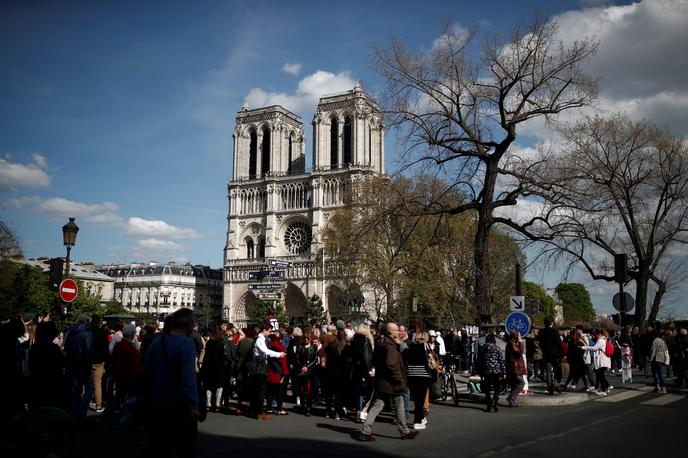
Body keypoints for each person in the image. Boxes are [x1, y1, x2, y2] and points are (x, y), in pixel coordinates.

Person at [141, 308, 200, 457]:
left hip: (157, 403)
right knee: (184, 448)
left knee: (160, 448)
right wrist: (193, 405)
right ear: (188, 324)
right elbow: (188, 378)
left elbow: (145, 371)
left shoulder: (157, 342)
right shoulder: (186, 344)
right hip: (179, 405)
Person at [358, 322, 418, 441]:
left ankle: (365, 431)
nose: (399, 332)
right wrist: (399, 378)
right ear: (390, 332)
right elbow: (391, 364)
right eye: (396, 330)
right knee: (399, 405)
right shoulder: (389, 346)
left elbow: (374, 360)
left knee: (377, 405)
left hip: (383, 381)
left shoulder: (381, 343)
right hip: (392, 382)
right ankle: (404, 432)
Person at [248, 324, 286, 420]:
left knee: (259, 391)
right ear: (264, 330)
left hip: (260, 366)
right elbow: (265, 351)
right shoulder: (260, 340)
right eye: (269, 331)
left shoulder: (261, 339)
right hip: (259, 367)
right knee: (260, 391)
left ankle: (256, 411)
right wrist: (279, 354)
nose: (269, 333)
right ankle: (258, 413)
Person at [64, 314, 95, 418]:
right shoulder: (87, 333)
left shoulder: (70, 332)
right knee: (90, 389)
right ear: (87, 321)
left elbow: (66, 348)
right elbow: (88, 351)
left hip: (72, 365)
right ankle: (81, 412)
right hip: (83, 366)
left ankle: (74, 411)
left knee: (76, 389)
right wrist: (87, 368)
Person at [349, 323, 375, 422]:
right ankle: (364, 411)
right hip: (364, 369)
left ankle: (358, 412)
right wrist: (369, 370)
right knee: (370, 390)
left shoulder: (353, 340)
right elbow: (366, 357)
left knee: (358, 391)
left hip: (355, 368)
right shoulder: (365, 340)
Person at [406, 331, 432, 429]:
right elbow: (430, 360)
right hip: (423, 375)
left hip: (411, 375)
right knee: (421, 400)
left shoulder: (410, 347)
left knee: (417, 400)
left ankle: (421, 418)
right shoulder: (426, 347)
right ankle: (417, 421)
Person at [200, 325, 226, 412]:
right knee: (219, 385)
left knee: (209, 385)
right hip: (219, 367)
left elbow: (206, 355)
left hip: (208, 366)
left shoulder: (209, 343)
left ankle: (208, 403)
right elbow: (222, 357)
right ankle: (217, 403)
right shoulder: (220, 344)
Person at [478, 333, 505, 412]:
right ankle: (495, 403)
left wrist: (480, 371)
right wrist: (503, 372)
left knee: (487, 388)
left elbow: (480, 360)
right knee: (497, 388)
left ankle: (488, 405)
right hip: (496, 370)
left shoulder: (483, 348)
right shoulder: (497, 348)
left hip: (486, 370)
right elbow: (501, 360)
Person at [295, 329, 319, 416]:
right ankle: (302, 405)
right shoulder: (299, 346)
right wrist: (302, 367)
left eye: (307, 338)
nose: (306, 340)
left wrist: (307, 367)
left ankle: (308, 407)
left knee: (309, 390)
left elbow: (315, 359)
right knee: (301, 389)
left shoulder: (314, 347)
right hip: (301, 370)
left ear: (310, 338)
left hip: (310, 371)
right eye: (304, 338)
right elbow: (297, 359)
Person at [581, 329, 612, 395]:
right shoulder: (604, 340)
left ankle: (604, 390)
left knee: (601, 376)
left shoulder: (601, 340)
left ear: (599, 334)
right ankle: (605, 388)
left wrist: (583, 347)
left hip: (602, 361)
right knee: (600, 375)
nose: (596, 336)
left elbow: (594, 348)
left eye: (596, 335)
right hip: (603, 360)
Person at [537, 317, 563, 394]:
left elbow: (540, 344)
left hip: (546, 354)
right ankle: (555, 384)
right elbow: (559, 343)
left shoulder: (541, 332)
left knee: (548, 372)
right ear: (552, 323)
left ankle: (550, 388)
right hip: (555, 355)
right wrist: (561, 353)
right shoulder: (555, 331)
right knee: (558, 371)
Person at [266, 331, 289, 415]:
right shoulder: (280, 347)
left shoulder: (268, 346)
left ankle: (269, 407)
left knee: (270, 391)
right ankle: (279, 409)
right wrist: (285, 372)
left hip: (270, 371)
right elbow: (283, 361)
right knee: (280, 392)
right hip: (278, 373)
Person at [505, 331, 526, 407]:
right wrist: (520, 343)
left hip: (516, 367)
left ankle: (512, 401)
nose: (520, 337)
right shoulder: (512, 343)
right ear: (515, 336)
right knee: (521, 383)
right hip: (515, 367)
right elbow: (519, 352)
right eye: (519, 335)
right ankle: (511, 397)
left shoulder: (512, 343)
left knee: (514, 384)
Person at [649, 329, 669, 394]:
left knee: (655, 373)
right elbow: (665, 349)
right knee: (660, 372)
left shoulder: (655, 341)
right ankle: (661, 387)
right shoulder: (662, 341)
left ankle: (659, 386)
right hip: (661, 358)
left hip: (656, 358)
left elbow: (653, 351)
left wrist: (651, 359)